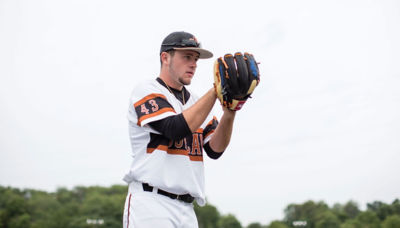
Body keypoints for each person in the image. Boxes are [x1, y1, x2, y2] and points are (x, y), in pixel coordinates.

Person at [122, 31, 236, 228]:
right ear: (165, 57)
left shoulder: (197, 102)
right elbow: (174, 129)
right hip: (151, 203)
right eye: (187, 57)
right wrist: (216, 90)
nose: (193, 64)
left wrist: (230, 113)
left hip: (187, 209)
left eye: (196, 58)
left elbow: (214, 150)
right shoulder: (147, 89)